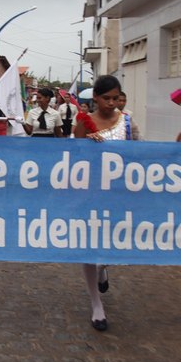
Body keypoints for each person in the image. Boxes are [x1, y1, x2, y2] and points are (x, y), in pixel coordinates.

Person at [73, 75, 136, 331]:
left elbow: (137, 152)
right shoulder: (84, 122)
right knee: (89, 247)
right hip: (90, 191)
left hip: (118, 192)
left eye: (115, 98)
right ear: (95, 98)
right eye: (106, 98)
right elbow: (73, 156)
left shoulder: (127, 121)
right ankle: (96, 304)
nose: (112, 103)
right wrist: (88, 141)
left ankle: (102, 268)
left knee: (113, 245)